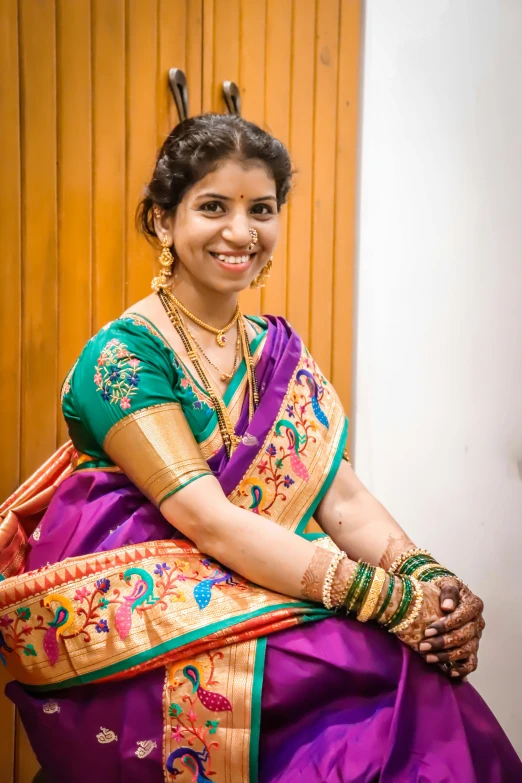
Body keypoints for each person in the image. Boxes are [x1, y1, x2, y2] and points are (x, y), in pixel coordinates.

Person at [0, 114, 519, 783]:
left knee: (419, 672)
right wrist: (387, 602)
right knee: (376, 664)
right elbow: (207, 518)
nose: (241, 232)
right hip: (149, 622)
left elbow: (343, 497)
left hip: (249, 585)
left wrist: (427, 582)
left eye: (261, 209)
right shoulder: (124, 358)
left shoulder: (273, 350)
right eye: (213, 206)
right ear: (162, 221)